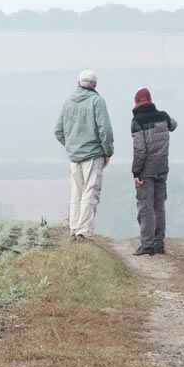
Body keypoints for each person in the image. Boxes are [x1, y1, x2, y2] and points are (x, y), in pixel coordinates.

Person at [54, 69, 113, 241]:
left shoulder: (68, 102)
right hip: (93, 154)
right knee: (90, 192)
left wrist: (71, 146)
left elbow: (58, 131)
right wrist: (107, 151)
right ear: (94, 84)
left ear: (78, 82)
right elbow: (105, 130)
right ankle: (84, 231)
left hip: (74, 157)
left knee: (76, 193)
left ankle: (74, 228)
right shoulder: (97, 101)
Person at [130, 87, 178, 256]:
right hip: (162, 167)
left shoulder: (137, 122)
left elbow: (140, 150)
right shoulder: (163, 116)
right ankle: (159, 244)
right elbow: (174, 124)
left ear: (136, 102)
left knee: (145, 206)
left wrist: (136, 172)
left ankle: (147, 245)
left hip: (146, 170)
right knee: (159, 205)